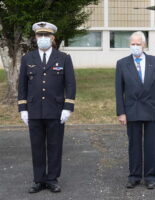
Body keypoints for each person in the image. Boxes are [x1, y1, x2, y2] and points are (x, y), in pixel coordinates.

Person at [18, 22, 76, 193]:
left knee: (55, 145)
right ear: (35, 38)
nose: (43, 38)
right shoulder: (27, 58)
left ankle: (52, 179)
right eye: (39, 35)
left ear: (52, 38)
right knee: (36, 146)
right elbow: (22, 86)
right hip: (34, 110)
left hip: (56, 110)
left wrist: (68, 107)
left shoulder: (63, 58)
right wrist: (23, 109)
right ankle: (38, 179)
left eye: (46, 35)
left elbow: (70, 85)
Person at [115, 31, 155, 189]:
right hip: (132, 110)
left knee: (151, 145)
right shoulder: (122, 63)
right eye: (133, 44)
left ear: (144, 45)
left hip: (152, 109)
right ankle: (134, 176)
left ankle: (150, 176)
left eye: (138, 44)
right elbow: (119, 90)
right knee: (134, 145)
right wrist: (121, 112)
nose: (135, 47)